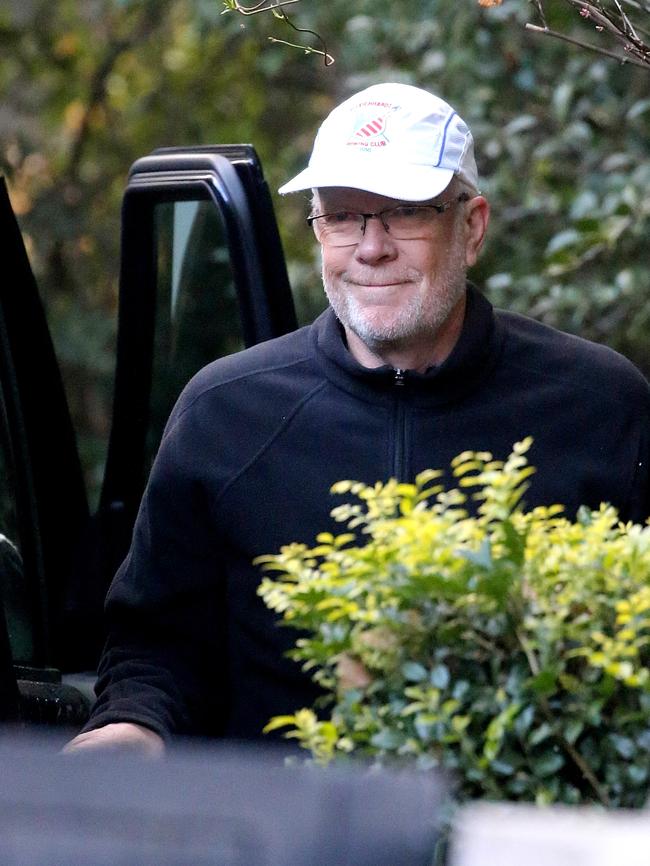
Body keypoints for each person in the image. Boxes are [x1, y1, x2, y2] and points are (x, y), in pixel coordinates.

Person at [65, 82, 650, 756]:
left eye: (404, 212)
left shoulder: (599, 405)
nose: (370, 248)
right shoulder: (223, 414)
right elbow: (155, 653)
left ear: (472, 226)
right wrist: (133, 731)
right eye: (341, 216)